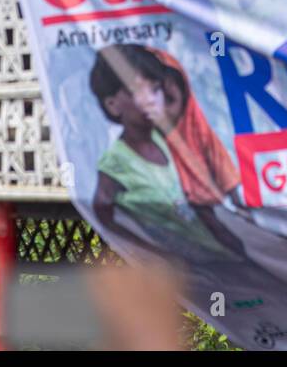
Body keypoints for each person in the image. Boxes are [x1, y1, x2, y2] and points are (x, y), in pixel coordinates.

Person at [90, 44, 244, 258]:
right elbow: (104, 214)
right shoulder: (116, 163)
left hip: (212, 252)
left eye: (155, 90)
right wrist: (156, 255)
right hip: (185, 266)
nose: (151, 100)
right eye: (137, 92)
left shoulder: (162, 141)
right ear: (112, 105)